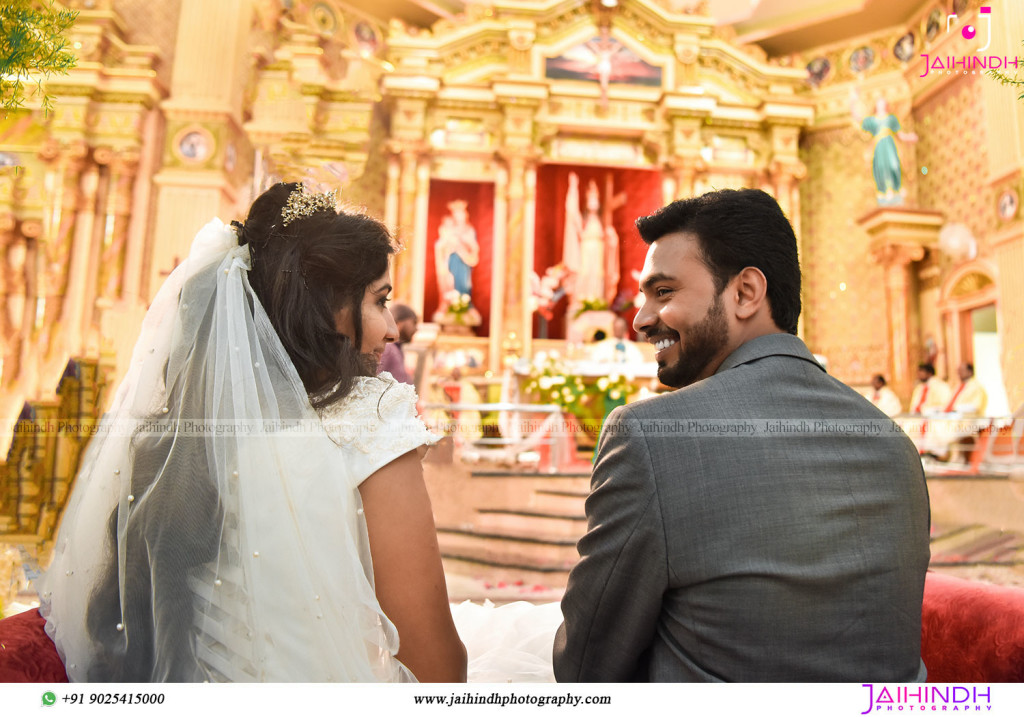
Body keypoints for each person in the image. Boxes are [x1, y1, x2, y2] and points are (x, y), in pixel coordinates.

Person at [37, 183, 466, 682]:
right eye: (379, 300)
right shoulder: (369, 417)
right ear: (324, 305)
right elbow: (437, 669)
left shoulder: (176, 434)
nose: (391, 328)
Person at [553, 188, 930, 682]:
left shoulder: (650, 437)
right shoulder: (893, 442)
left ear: (746, 293)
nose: (641, 319)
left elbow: (586, 669)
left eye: (663, 292)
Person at [378, 303, 417, 386]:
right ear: (399, 323)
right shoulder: (388, 349)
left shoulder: (394, 349)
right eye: (414, 322)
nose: (416, 328)